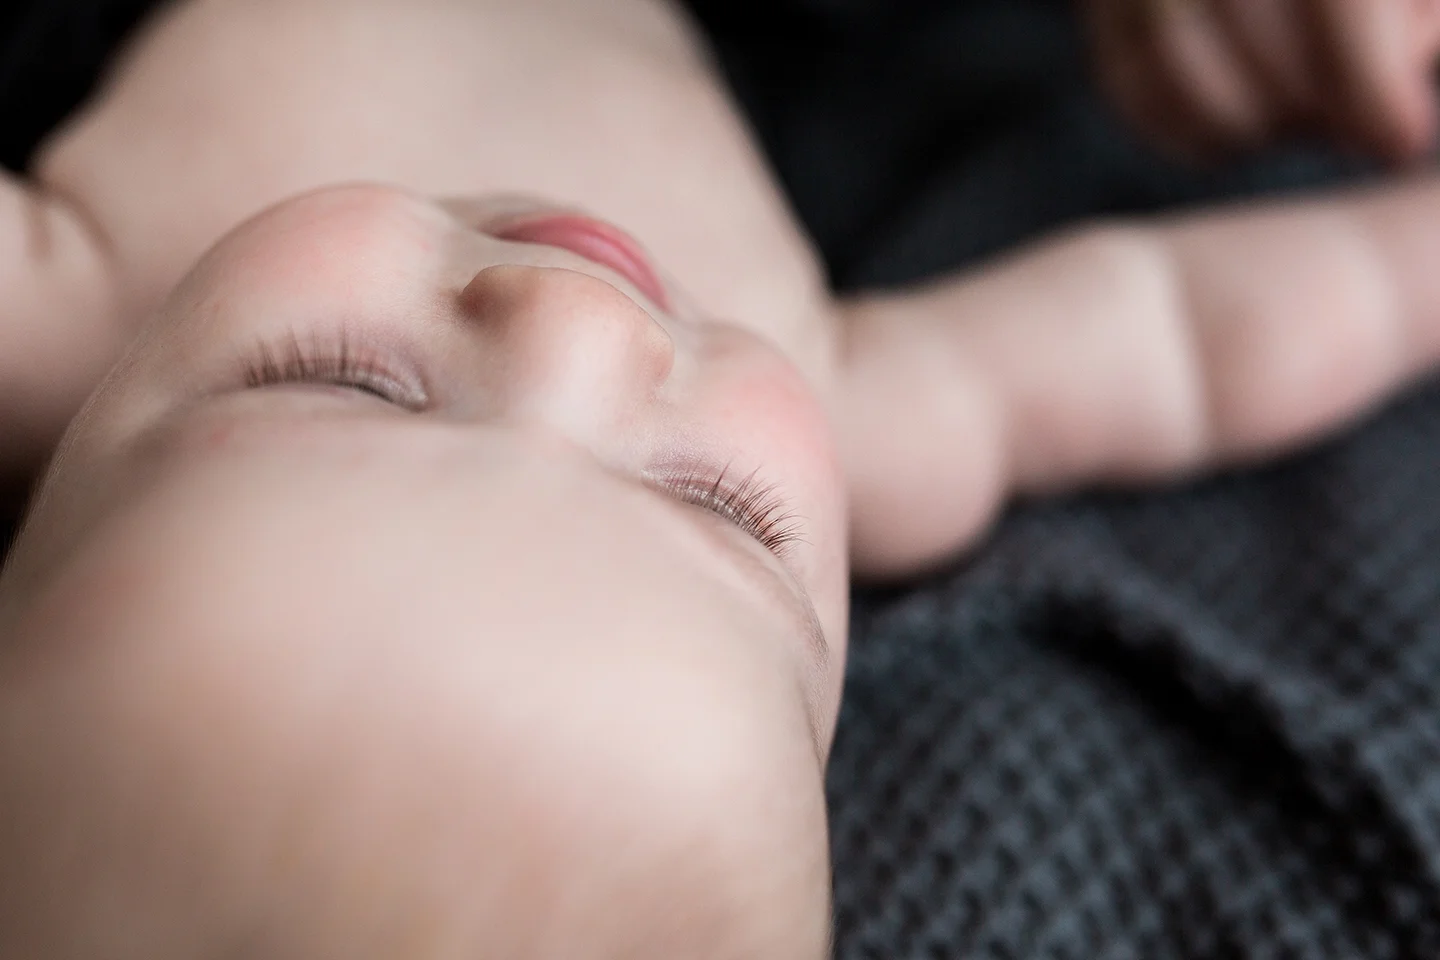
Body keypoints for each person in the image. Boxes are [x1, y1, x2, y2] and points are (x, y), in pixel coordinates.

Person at [5, 0, 1440, 956]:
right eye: (714, 509)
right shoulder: (854, 422)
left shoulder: (70, 310)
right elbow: (1180, 341)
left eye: (346, 382)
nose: (582, 320)